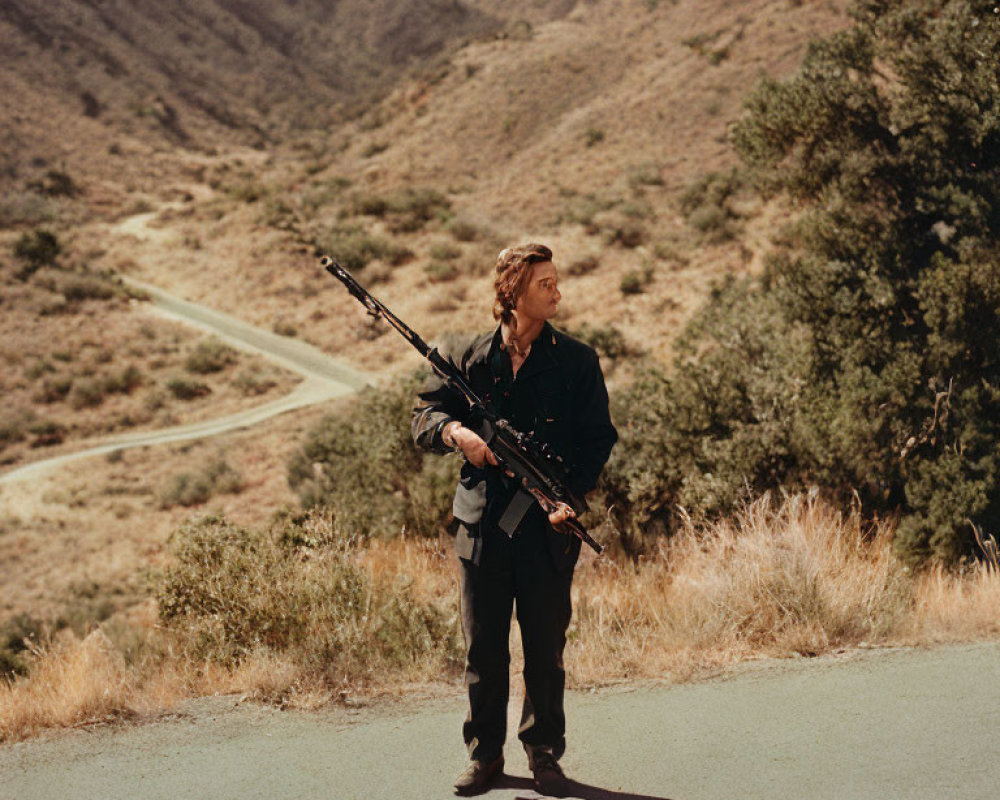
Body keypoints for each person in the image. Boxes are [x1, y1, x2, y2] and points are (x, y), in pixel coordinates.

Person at [412, 243, 618, 796]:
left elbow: (599, 439)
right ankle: (485, 756)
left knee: (545, 651)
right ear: (514, 292)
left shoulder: (576, 361)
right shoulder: (468, 357)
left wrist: (567, 498)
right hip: (480, 528)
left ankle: (543, 753)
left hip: (546, 532)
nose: (558, 292)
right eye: (545, 283)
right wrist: (459, 436)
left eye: (556, 281)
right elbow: (424, 416)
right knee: (483, 649)